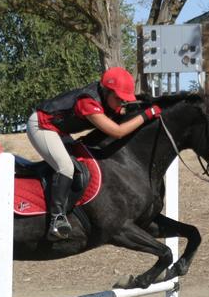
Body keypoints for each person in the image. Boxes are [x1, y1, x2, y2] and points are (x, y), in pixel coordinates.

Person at [28, 67, 162, 240]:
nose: (121, 103)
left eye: (124, 100)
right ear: (107, 91)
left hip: (60, 130)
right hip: (41, 126)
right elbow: (117, 132)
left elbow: (121, 113)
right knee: (66, 167)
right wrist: (148, 114)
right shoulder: (88, 102)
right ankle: (57, 219)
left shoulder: (105, 97)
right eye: (119, 99)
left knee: (80, 164)